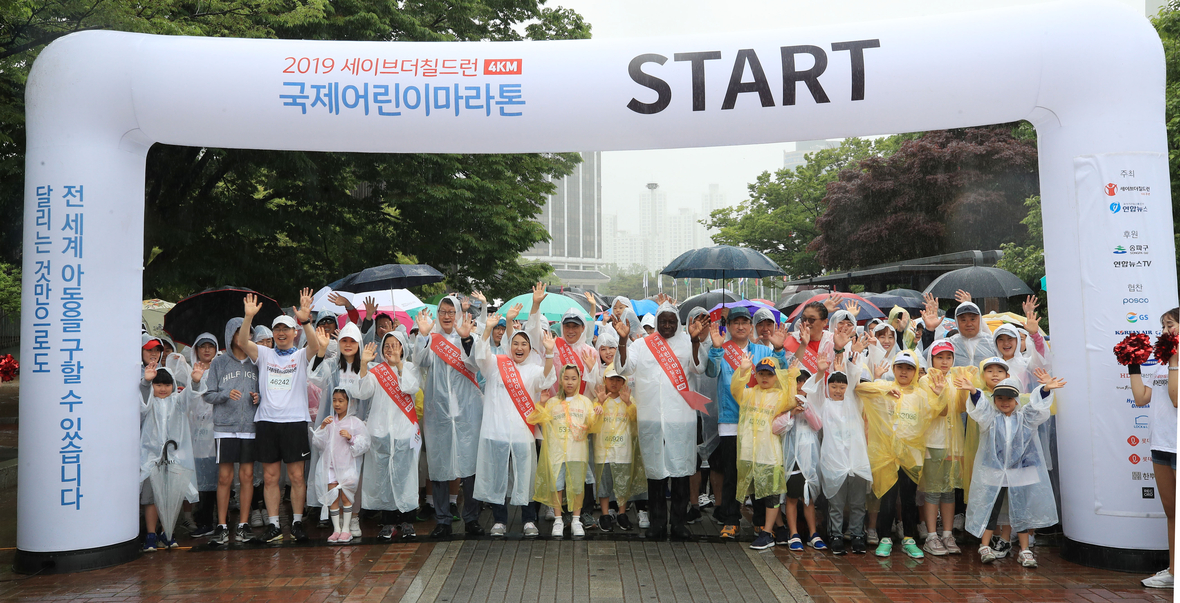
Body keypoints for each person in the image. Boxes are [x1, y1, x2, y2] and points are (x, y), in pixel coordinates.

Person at [617, 302, 710, 540]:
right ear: (657, 323)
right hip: (651, 418)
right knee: (655, 473)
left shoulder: (686, 341)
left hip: (680, 418)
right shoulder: (641, 344)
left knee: (680, 472)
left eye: (671, 321)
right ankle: (658, 524)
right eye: (663, 321)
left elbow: (699, 369)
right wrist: (622, 341)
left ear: (676, 322)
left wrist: (696, 340)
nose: (667, 326)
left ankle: (678, 524)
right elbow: (625, 368)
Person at [236, 289, 321, 543]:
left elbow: (315, 346)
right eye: (277, 330)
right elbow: (242, 342)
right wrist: (248, 317)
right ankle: (274, 525)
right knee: (271, 477)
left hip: (294, 422)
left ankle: (296, 522)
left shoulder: (299, 356)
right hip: (267, 422)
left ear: (294, 333)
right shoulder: (264, 354)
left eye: (287, 329)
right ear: (273, 334)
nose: (282, 333)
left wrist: (305, 320)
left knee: (296, 476)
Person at [959, 372, 1065, 568]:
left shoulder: (1025, 418)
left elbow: (1037, 406)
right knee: (992, 506)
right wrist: (974, 391)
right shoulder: (991, 419)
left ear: (1016, 400)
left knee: (1021, 509)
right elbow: (980, 408)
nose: (1004, 402)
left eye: (1009, 398)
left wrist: (1046, 389)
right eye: (999, 398)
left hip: (1020, 471)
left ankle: (1024, 550)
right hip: (995, 471)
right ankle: (984, 546)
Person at [705, 305, 790, 540]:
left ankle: (761, 522)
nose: (740, 326)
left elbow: (780, 372)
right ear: (729, 326)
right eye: (735, 322)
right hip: (731, 420)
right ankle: (731, 519)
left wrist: (780, 348)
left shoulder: (762, 349)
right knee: (733, 471)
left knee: (760, 471)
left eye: (744, 322)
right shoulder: (723, 348)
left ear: (750, 326)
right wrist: (715, 348)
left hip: (759, 421)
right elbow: (711, 372)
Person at [856, 349, 946, 559]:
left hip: (912, 455)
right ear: (894, 369)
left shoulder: (921, 395)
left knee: (908, 499)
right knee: (887, 497)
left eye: (909, 368)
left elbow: (939, 411)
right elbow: (860, 388)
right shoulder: (885, 387)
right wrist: (882, 392)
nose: (904, 372)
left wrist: (940, 393)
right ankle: (885, 537)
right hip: (888, 455)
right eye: (900, 368)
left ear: (915, 371)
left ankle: (909, 539)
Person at [472, 322, 556, 539]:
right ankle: (499, 520)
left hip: (522, 433)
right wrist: (488, 329)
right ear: (509, 345)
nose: (519, 347)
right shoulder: (496, 363)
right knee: (497, 475)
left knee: (525, 476)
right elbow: (480, 356)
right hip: (496, 431)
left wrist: (549, 352)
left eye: (524, 344)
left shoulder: (534, 369)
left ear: (529, 348)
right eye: (515, 343)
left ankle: (529, 519)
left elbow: (546, 379)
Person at [414, 296, 484, 538]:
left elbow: (475, 364)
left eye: (450, 311)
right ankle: (443, 519)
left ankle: (472, 518)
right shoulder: (430, 340)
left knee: (470, 466)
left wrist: (465, 338)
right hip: (438, 414)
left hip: (467, 413)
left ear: (457, 313)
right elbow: (419, 361)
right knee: (440, 466)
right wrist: (423, 336)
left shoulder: (468, 337)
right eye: (442, 311)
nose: (446, 316)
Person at [349, 332, 424, 540]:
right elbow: (361, 392)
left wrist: (399, 365)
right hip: (381, 433)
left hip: (404, 432)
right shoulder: (375, 370)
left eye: (395, 345)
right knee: (384, 478)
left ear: (402, 348)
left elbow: (410, 387)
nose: (391, 349)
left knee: (405, 477)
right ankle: (389, 522)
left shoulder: (409, 368)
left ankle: (407, 520)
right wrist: (364, 365)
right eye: (387, 346)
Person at [806, 352, 872, 555]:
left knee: (858, 503)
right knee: (836, 502)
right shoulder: (824, 406)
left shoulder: (854, 402)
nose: (838, 390)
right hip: (834, 461)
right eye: (833, 386)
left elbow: (853, 379)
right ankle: (835, 534)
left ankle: (857, 534)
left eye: (842, 386)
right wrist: (820, 371)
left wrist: (850, 363)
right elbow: (812, 393)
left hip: (857, 460)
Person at [309, 321, 371, 538]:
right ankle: (335, 517)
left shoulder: (367, 366)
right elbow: (315, 376)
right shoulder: (333, 366)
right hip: (334, 430)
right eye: (344, 340)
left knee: (355, 475)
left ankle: (353, 516)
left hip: (356, 429)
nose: (347, 344)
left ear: (359, 343)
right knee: (332, 470)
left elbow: (368, 395)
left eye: (352, 340)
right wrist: (322, 350)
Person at [203, 318, 261, 545]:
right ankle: (222, 525)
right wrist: (225, 394)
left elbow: (263, 391)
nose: (243, 337)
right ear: (230, 336)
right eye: (238, 333)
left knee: (247, 476)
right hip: (225, 428)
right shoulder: (218, 364)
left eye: (246, 333)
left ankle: (244, 525)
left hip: (249, 428)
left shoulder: (256, 362)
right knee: (225, 477)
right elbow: (208, 395)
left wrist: (258, 398)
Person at [731, 354, 797, 550]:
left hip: (769, 453)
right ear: (756, 375)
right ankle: (780, 528)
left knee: (771, 494)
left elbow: (792, 401)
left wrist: (792, 378)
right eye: (761, 373)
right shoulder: (749, 393)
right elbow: (735, 389)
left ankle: (767, 534)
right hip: (749, 453)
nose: (765, 377)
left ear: (776, 376)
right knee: (757, 493)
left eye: (770, 374)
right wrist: (742, 371)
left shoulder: (779, 396)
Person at [1133, 307, 1179, 588]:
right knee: (1172, 512)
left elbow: (1176, 398)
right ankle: (1174, 571)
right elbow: (1141, 398)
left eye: (1171, 324)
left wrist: (1174, 360)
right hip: (1161, 444)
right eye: (1163, 325)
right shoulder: (1163, 363)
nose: (1165, 331)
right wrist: (1132, 364)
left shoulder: (1171, 361)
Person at [140, 362, 207, 551]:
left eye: (167, 385)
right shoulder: (149, 402)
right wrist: (146, 383)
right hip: (150, 459)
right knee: (151, 498)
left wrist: (194, 381)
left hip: (173, 459)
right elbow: (142, 403)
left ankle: (167, 531)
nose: (162, 389)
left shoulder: (177, 401)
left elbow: (191, 396)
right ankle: (151, 535)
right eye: (158, 384)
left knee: (171, 497)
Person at [917, 339, 973, 556]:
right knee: (932, 490)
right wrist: (940, 393)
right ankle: (932, 536)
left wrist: (967, 388)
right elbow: (937, 411)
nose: (944, 361)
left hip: (954, 443)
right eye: (940, 357)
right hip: (933, 442)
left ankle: (947, 534)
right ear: (932, 358)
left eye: (948, 357)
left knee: (949, 491)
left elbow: (960, 408)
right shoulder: (925, 380)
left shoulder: (955, 379)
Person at [533, 364, 601, 539]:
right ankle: (558, 520)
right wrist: (541, 403)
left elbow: (593, 425)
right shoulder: (552, 402)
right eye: (566, 378)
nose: (570, 382)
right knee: (557, 485)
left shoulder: (585, 402)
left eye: (574, 378)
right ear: (561, 380)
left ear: (579, 380)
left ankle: (576, 520)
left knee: (577, 486)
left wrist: (598, 411)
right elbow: (537, 420)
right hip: (556, 453)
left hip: (577, 452)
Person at [312, 387, 371, 544]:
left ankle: (346, 529)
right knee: (333, 497)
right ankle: (336, 529)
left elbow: (364, 444)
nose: (337, 404)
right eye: (334, 400)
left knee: (346, 497)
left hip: (347, 467)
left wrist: (351, 437)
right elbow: (319, 444)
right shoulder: (330, 421)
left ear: (349, 402)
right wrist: (323, 428)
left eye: (341, 400)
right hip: (330, 466)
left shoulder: (355, 423)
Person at [592, 367, 646, 532]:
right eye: (611, 379)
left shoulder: (629, 399)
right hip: (603, 450)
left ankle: (622, 513)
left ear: (624, 382)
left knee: (623, 483)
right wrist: (599, 404)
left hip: (623, 450)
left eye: (618, 380)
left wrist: (629, 403)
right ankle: (605, 514)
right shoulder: (598, 399)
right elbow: (591, 424)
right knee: (604, 484)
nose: (614, 383)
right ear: (604, 380)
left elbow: (636, 421)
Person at [185, 332, 220, 539]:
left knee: (217, 478)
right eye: (202, 346)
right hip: (196, 432)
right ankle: (202, 518)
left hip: (217, 430)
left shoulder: (221, 370)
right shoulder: (190, 371)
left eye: (211, 346)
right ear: (196, 350)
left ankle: (213, 520)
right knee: (199, 477)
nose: (207, 350)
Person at [918, 291, 996, 368]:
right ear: (957, 322)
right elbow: (926, 358)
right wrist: (929, 330)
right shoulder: (950, 343)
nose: (969, 324)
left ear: (979, 320)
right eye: (963, 320)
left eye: (972, 319)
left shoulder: (992, 344)